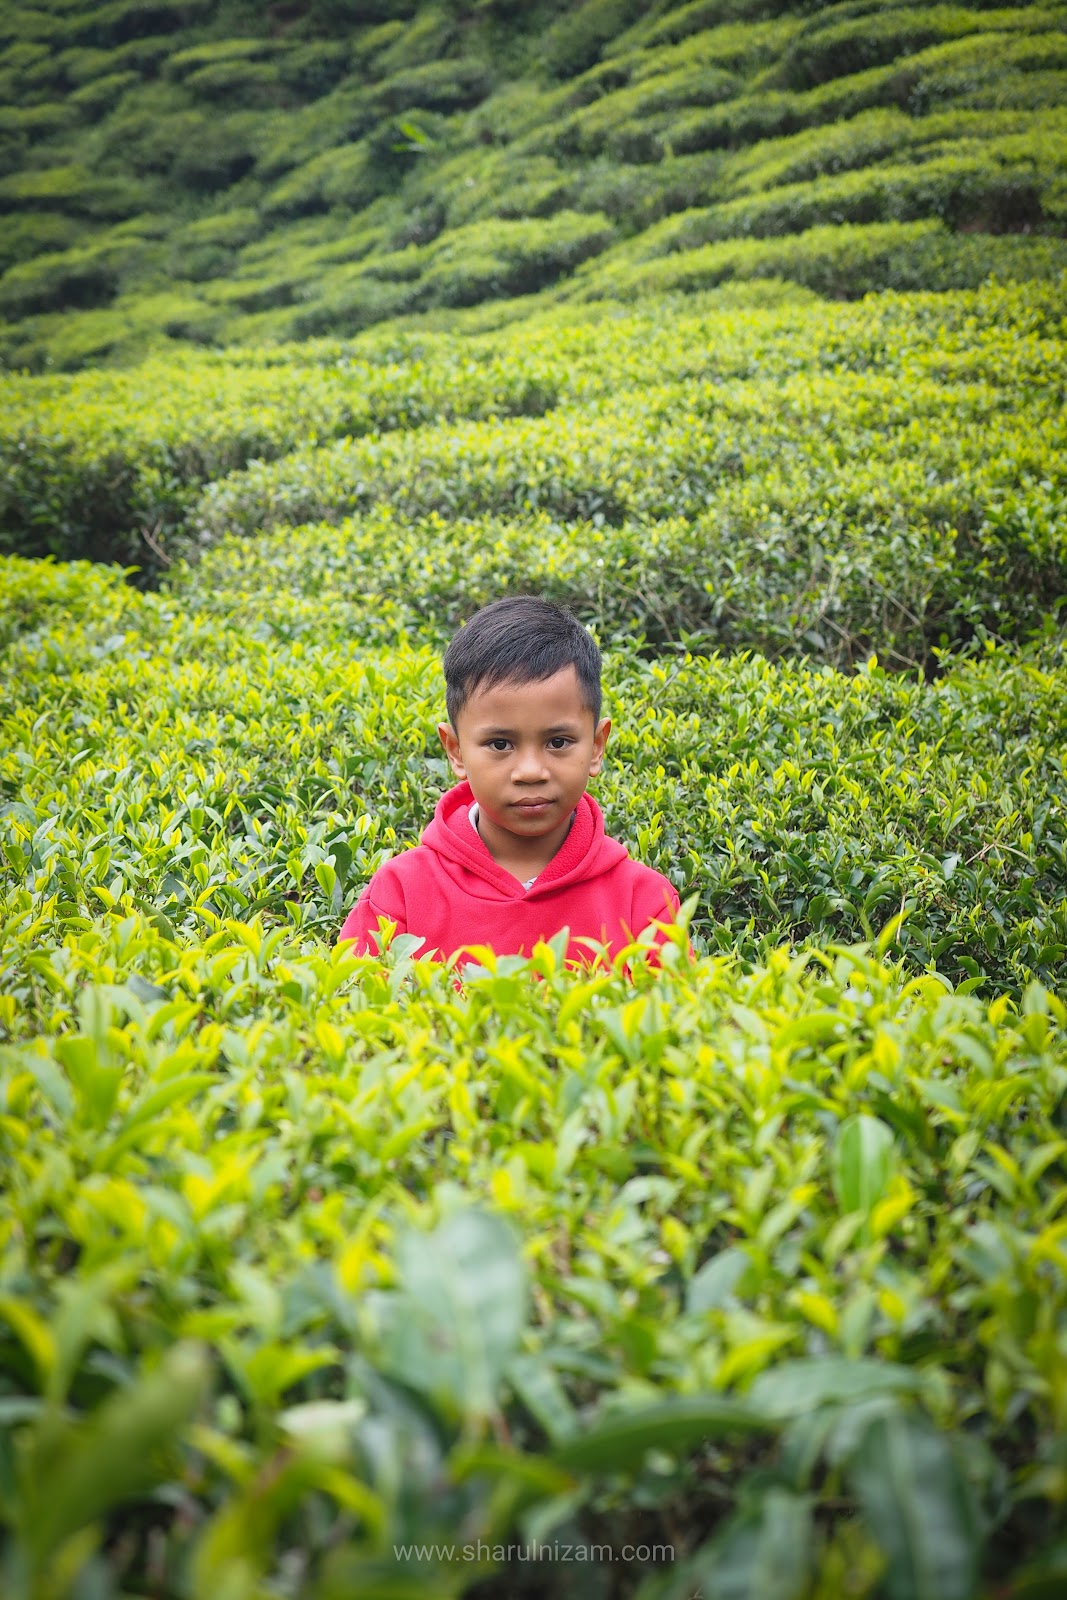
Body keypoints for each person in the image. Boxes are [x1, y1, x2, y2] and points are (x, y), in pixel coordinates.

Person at [338, 595, 682, 964]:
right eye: (500, 744)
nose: (531, 771)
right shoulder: (400, 892)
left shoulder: (643, 901)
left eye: (558, 742)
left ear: (596, 746)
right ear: (456, 751)